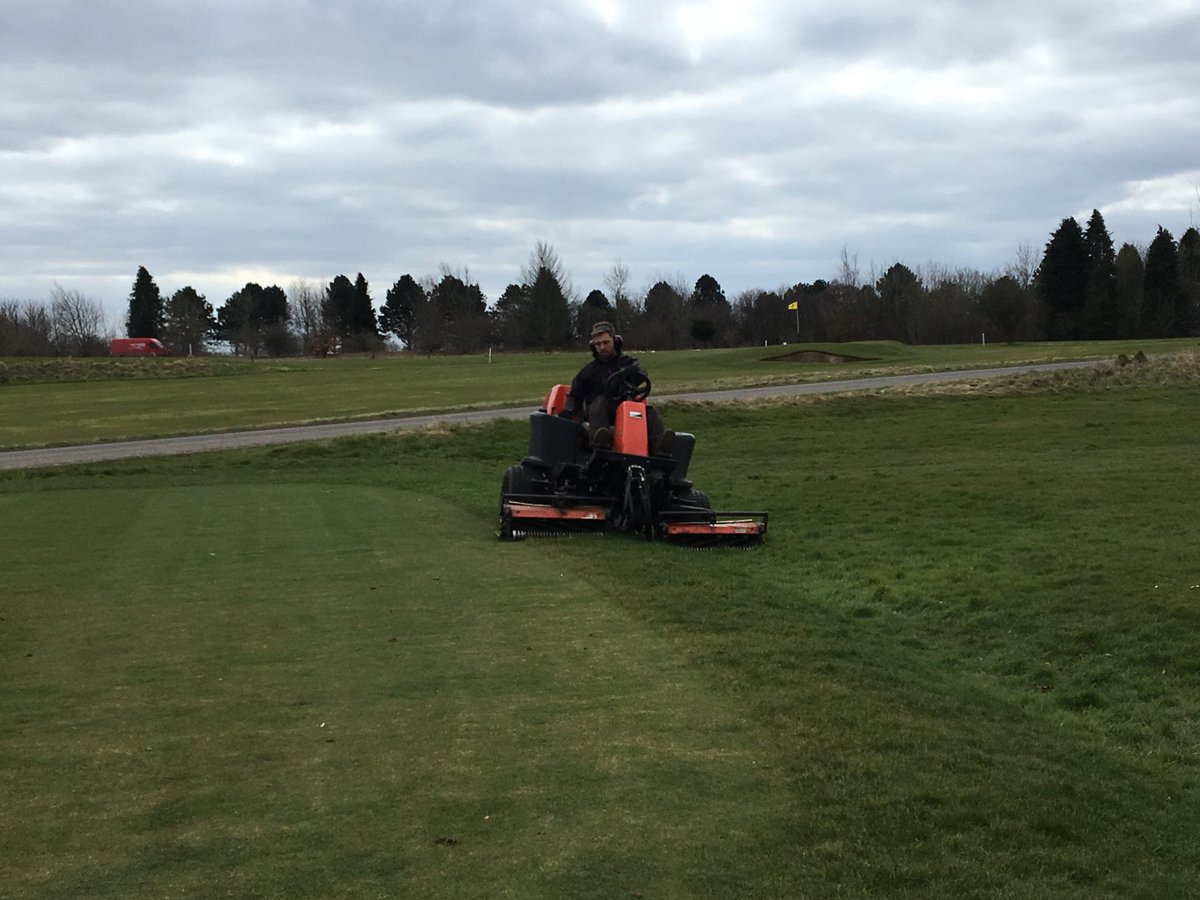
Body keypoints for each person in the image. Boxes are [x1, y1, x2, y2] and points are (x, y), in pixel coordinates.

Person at [559, 321, 673, 453]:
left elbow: (641, 373)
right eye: (598, 344)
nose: (602, 347)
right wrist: (567, 412)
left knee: (650, 411)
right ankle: (600, 440)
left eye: (606, 343)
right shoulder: (587, 372)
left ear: (614, 341)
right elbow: (574, 395)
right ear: (593, 346)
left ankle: (659, 446)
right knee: (600, 402)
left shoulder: (627, 363)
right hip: (598, 413)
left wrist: (635, 373)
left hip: (623, 407)